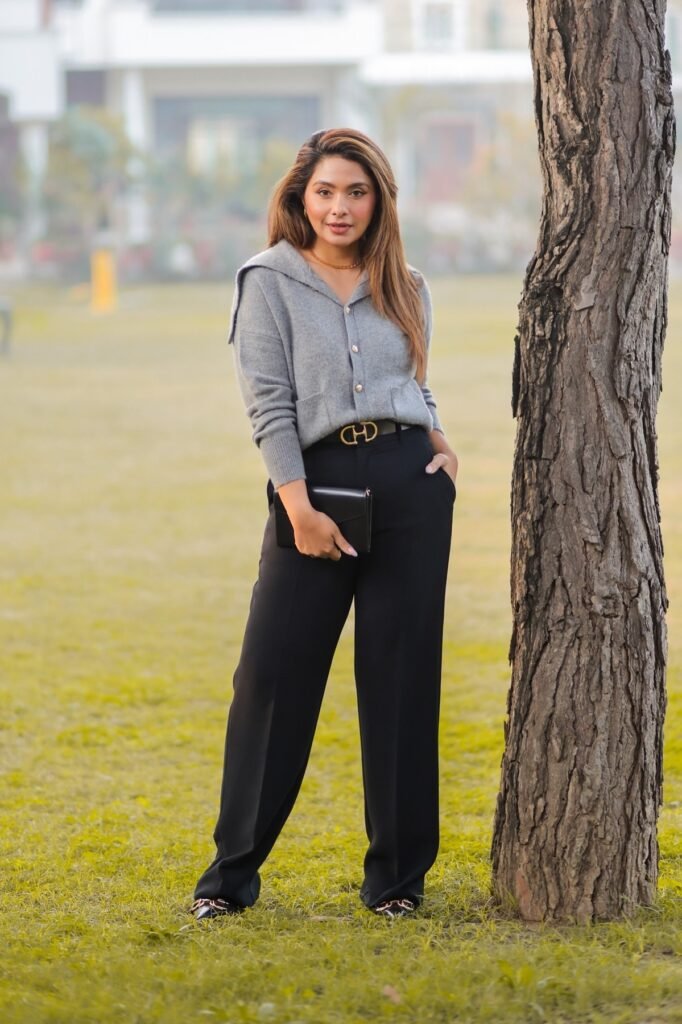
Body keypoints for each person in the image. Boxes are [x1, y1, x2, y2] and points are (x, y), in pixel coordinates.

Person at [190, 128, 458, 921]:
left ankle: (397, 882)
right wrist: (296, 504)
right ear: (300, 200)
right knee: (272, 680)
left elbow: (413, 382)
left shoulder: (407, 283)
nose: (340, 207)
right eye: (326, 192)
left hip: (411, 485)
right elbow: (269, 402)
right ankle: (228, 880)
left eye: (356, 192)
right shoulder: (267, 280)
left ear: (379, 201)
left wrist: (440, 443)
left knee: (403, 681)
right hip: (315, 487)